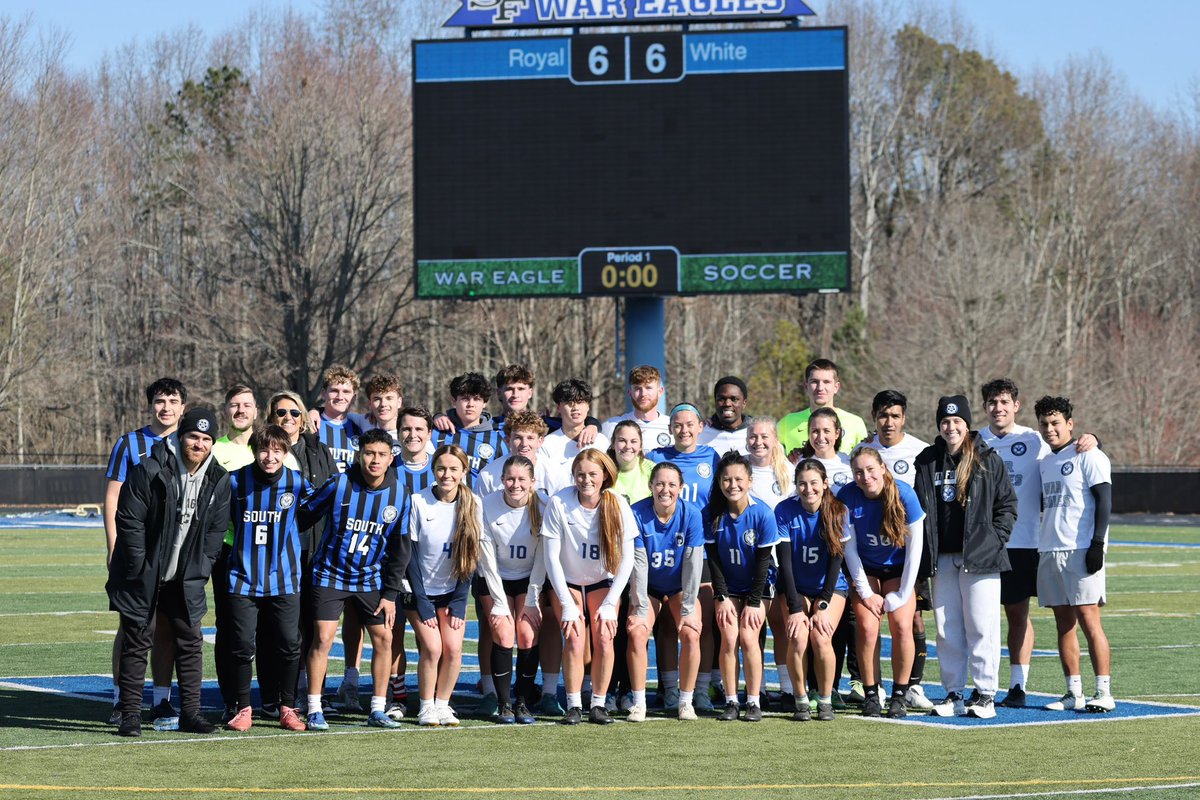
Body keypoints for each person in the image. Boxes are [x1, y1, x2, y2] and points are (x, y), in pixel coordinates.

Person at [107, 407, 231, 737]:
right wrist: (139, 567)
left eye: (206, 439)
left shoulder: (218, 478)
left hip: (186, 574)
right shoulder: (150, 468)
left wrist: (202, 566)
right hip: (144, 572)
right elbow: (129, 521)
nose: (199, 444)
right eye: (193, 436)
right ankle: (130, 715)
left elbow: (216, 531)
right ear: (180, 436)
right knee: (137, 639)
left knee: (191, 641)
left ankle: (191, 713)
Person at [978, 378, 1097, 708]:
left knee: (1018, 615)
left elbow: (1067, 448)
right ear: (984, 406)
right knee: (980, 619)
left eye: (1004, 402)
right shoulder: (975, 441)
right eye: (992, 402)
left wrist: (1092, 438)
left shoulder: (1034, 439)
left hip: (1024, 543)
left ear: (1015, 406)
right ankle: (980, 685)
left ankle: (1018, 686)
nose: (998, 408)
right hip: (983, 545)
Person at [913, 395, 1018, 720]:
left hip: (980, 557)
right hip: (942, 558)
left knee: (982, 627)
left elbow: (1007, 505)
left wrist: (994, 539)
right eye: (945, 421)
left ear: (967, 424)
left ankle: (986, 695)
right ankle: (954, 693)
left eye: (957, 421)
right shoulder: (927, 460)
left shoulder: (987, 458)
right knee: (947, 630)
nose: (951, 427)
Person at [301, 428, 411, 731]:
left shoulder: (400, 495)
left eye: (381, 454)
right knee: (323, 639)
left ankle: (377, 708)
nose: (375, 460)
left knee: (384, 638)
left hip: (371, 579)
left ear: (390, 458)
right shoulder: (339, 484)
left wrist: (390, 594)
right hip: (330, 575)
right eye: (369, 453)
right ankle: (314, 708)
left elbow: (401, 549)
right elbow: (303, 515)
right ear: (358, 454)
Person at [103, 377, 186, 726]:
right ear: (150, 405)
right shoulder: (130, 443)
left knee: (165, 626)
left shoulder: (191, 443)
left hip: (174, 551)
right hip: (136, 549)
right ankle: (122, 699)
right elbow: (112, 496)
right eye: (160, 401)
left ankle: (161, 700)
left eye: (172, 401)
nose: (166, 407)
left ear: (183, 407)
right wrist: (113, 545)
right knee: (132, 624)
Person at [223, 425, 311, 732]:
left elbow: (315, 510)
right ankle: (243, 708)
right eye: (264, 450)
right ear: (254, 450)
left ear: (286, 452)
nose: (270, 457)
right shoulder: (235, 480)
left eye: (277, 451)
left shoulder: (297, 482)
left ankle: (288, 708)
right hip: (242, 577)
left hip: (284, 578)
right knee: (242, 645)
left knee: (289, 643)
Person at [542, 449, 638, 724]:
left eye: (592, 474)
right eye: (580, 474)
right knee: (574, 637)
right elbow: (551, 557)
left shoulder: (617, 503)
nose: (586, 480)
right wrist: (566, 602)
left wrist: (610, 603)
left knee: (605, 637)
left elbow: (627, 558)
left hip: (602, 581)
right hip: (568, 581)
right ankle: (574, 705)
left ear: (605, 475)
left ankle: (598, 704)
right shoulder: (559, 502)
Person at [1035, 395, 1116, 713]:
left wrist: (1097, 545)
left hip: (1081, 549)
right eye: (1044, 423)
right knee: (1063, 625)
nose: (1050, 429)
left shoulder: (1089, 454)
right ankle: (1073, 693)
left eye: (1055, 423)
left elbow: (1104, 501)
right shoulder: (1045, 462)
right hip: (1050, 550)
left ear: (1070, 423)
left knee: (1089, 621)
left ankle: (1104, 691)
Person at [860, 389, 934, 711]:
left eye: (894, 416)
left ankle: (912, 686)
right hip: (870, 554)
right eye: (882, 416)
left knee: (912, 619)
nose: (888, 422)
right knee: (866, 623)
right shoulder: (862, 451)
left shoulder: (921, 451)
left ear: (904, 418)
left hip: (907, 554)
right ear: (874, 417)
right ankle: (868, 687)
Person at [839, 446, 925, 718]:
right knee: (866, 627)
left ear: (883, 468)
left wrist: (903, 593)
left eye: (870, 469)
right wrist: (866, 593)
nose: (865, 477)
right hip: (866, 570)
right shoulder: (847, 497)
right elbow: (850, 550)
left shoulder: (904, 494)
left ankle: (899, 694)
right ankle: (872, 694)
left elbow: (915, 551)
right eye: (858, 472)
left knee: (902, 625)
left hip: (899, 570)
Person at [268, 390, 339, 714]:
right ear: (271, 417)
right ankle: (283, 693)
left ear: (304, 418)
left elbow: (334, 493)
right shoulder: (267, 450)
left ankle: (313, 694)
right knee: (286, 628)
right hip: (280, 552)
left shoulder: (319, 450)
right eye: (281, 412)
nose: (288, 418)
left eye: (294, 413)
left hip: (317, 549)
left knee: (315, 626)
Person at [405, 445, 481, 727]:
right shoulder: (418, 501)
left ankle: (442, 704)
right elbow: (411, 557)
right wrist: (422, 601)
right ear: (433, 470)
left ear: (464, 471)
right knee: (433, 648)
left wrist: (460, 600)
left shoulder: (473, 503)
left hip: (452, 593)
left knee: (453, 649)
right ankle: (426, 706)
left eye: (453, 469)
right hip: (418, 592)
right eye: (441, 468)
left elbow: (470, 556)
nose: (446, 475)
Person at [704, 451, 782, 723]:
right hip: (728, 587)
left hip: (758, 586)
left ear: (749, 481)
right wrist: (722, 596)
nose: (732, 485)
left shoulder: (762, 513)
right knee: (729, 637)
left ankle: (753, 700)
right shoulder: (712, 513)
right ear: (719, 482)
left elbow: (763, 563)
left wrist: (753, 601)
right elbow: (713, 560)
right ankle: (731, 701)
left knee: (748, 637)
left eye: (738, 479)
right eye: (726, 479)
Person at [627, 462, 706, 721]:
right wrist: (640, 608)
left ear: (681, 488)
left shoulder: (691, 514)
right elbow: (638, 565)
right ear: (650, 485)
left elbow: (693, 564)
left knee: (691, 632)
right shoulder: (636, 513)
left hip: (678, 586)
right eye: (660, 483)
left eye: (672, 484)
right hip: (648, 586)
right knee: (638, 632)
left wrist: (688, 608)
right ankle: (639, 703)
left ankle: (685, 701)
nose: (665, 489)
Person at [774, 459, 850, 721]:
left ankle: (825, 699)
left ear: (825, 483)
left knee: (821, 636)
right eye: (802, 484)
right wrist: (795, 608)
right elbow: (784, 564)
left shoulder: (838, 511)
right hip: (796, 587)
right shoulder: (784, 510)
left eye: (814, 483)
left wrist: (823, 604)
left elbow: (836, 561)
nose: (808, 489)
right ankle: (801, 699)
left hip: (830, 588)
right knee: (798, 637)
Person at [476, 455, 548, 724]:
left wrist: (532, 598)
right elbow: (487, 559)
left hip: (530, 578)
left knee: (527, 635)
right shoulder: (486, 505)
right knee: (504, 633)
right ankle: (504, 703)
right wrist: (498, 602)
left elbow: (542, 557)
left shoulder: (543, 505)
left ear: (532, 482)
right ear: (501, 479)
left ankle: (523, 702)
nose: (515, 485)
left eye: (521, 479)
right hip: (494, 578)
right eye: (509, 479)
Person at [777, 359, 869, 461]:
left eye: (826, 382)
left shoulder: (855, 423)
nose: (820, 388)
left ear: (836, 387)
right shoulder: (787, 422)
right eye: (814, 382)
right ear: (806, 386)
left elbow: (866, 461)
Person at [431, 372, 508, 481]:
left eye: (477, 399)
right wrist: (434, 418)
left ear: (484, 403)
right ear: (454, 401)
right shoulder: (436, 433)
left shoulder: (497, 441)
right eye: (465, 399)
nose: (471, 404)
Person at [477, 411, 569, 498]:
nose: (524, 444)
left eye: (530, 438)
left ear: (540, 441)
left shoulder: (557, 473)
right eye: (518, 437)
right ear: (508, 440)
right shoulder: (488, 475)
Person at [647, 403, 721, 508]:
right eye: (678, 425)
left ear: (700, 427)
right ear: (670, 429)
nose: (684, 430)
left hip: (703, 519)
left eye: (690, 425)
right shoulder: (654, 457)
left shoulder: (712, 456)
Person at [600, 364, 673, 450]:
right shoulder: (612, 426)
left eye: (648, 388)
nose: (643, 394)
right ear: (630, 393)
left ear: (660, 391)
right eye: (637, 388)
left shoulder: (673, 426)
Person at [313, 365, 370, 473]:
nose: (340, 397)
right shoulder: (311, 424)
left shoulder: (360, 430)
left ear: (353, 398)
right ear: (324, 394)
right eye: (334, 391)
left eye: (346, 392)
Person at [799, 408, 853, 490]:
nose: (821, 437)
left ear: (837, 433)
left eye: (826, 431)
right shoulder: (797, 462)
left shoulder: (849, 464)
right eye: (815, 431)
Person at [746, 417, 792, 509]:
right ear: (747, 440)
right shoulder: (738, 467)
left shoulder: (788, 469)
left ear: (775, 440)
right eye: (753, 437)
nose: (758, 442)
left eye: (764, 437)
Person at [698, 376, 751, 455]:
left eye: (734, 399)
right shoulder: (701, 433)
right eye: (721, 399)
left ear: (744, 403)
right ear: (715, 401)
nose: (727, 404)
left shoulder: (756, 433)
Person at [609, 419, 655, 505]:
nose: (628, 446)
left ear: (640, 445)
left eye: (633, 441)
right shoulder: (603, 469)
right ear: (613, 443)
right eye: (622, 440)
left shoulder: (652, 469)